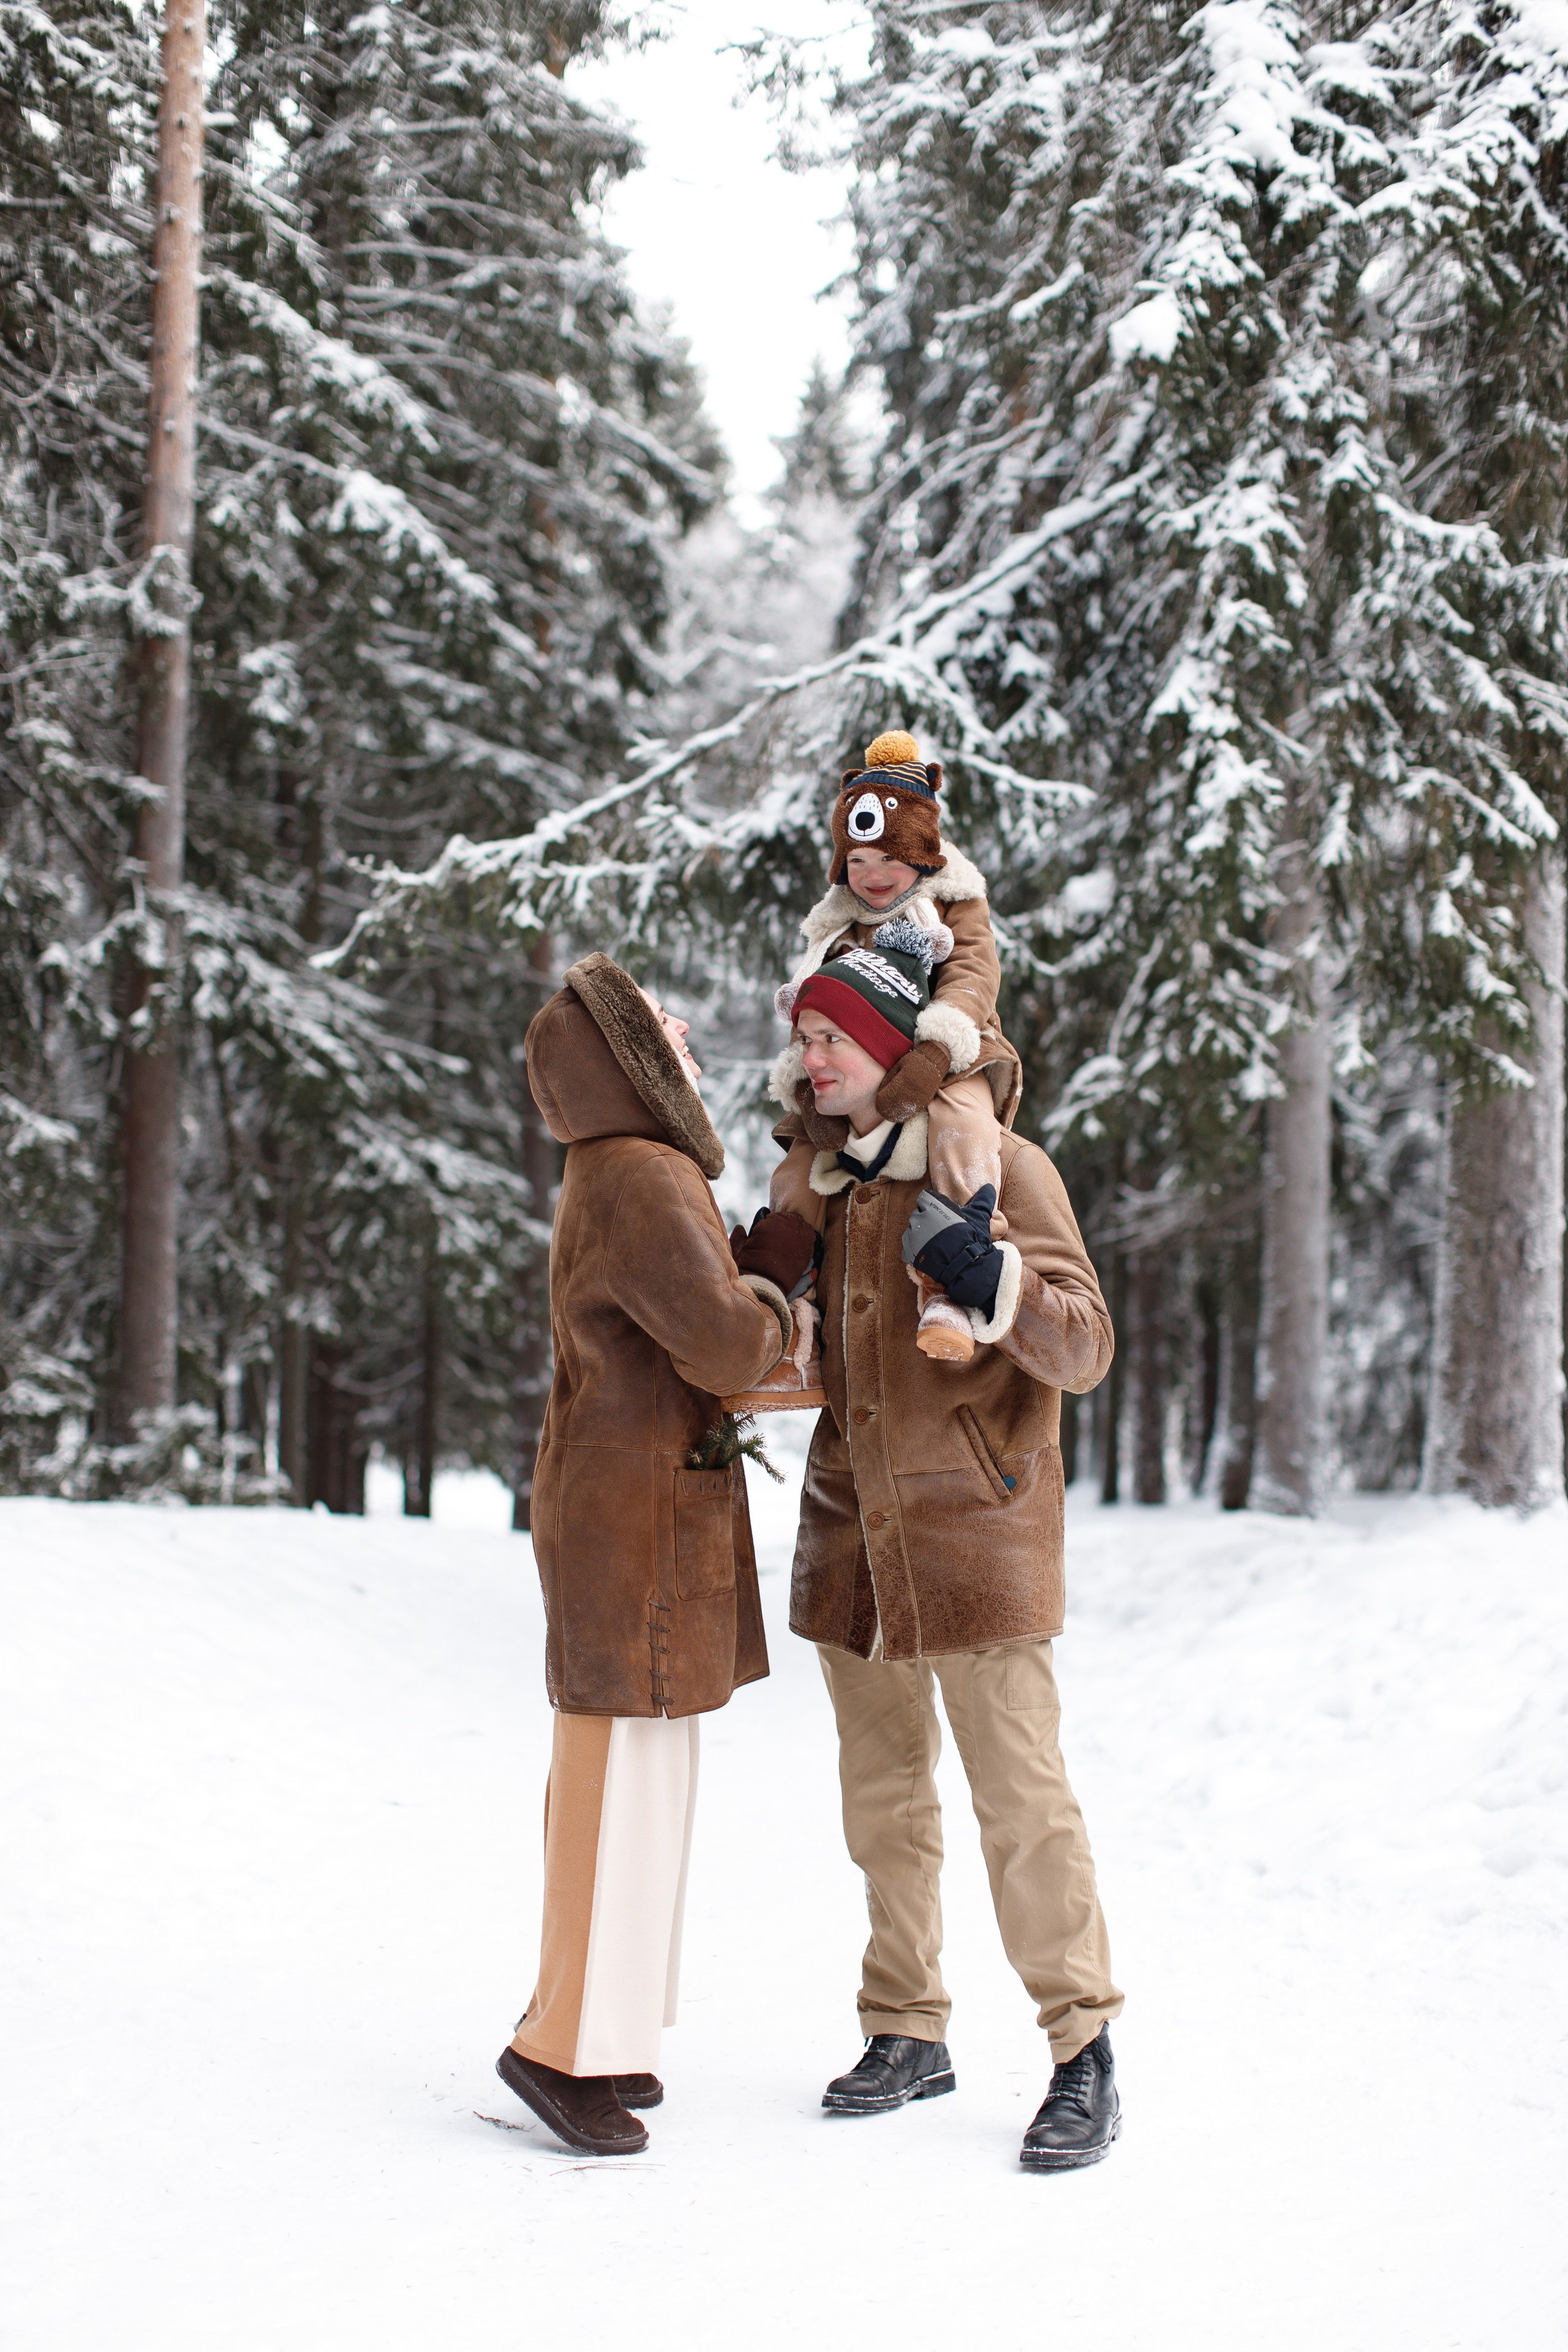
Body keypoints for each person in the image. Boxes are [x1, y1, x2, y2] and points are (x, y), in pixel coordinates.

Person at [774, 978, 1125, 2171]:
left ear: (887, 1052)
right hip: (851, 1544)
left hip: (977, 1537)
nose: (810, 1058)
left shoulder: (1002, 1165)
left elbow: (1083, 1343)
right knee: (881, 1807)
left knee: (1019, 1806)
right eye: (803, 1039)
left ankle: (1082, 2051)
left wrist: (997, 1286)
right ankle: (904, 2028)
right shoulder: (826, 1187)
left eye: (831, 1039)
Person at [495, 952, 815, 2157]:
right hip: (625, 1515)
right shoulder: (640, 1173)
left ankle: (608, 2034)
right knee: (614, 1777)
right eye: (661, 1027)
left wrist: (739, 1269)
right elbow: (724, 1345)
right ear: (626, 1061)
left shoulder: (626, 1169)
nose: (685, 1033)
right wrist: (774, 1292)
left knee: (645, 1775)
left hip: (633, 1505)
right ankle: (553, 2046)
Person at [770, 728, 1021, 1362]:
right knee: (799, 1157)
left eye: (889, 859)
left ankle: (955, 1273)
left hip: (948, 1051)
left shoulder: (953, 903)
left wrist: (936, 1050)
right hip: (857, 1061)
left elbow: (972, 977)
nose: (873, 876)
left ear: (922, 855)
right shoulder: (839, 922)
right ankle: (780, 1289)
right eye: (857, 863)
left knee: (962, 1123)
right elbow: (817, 1002)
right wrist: (808, 1077)